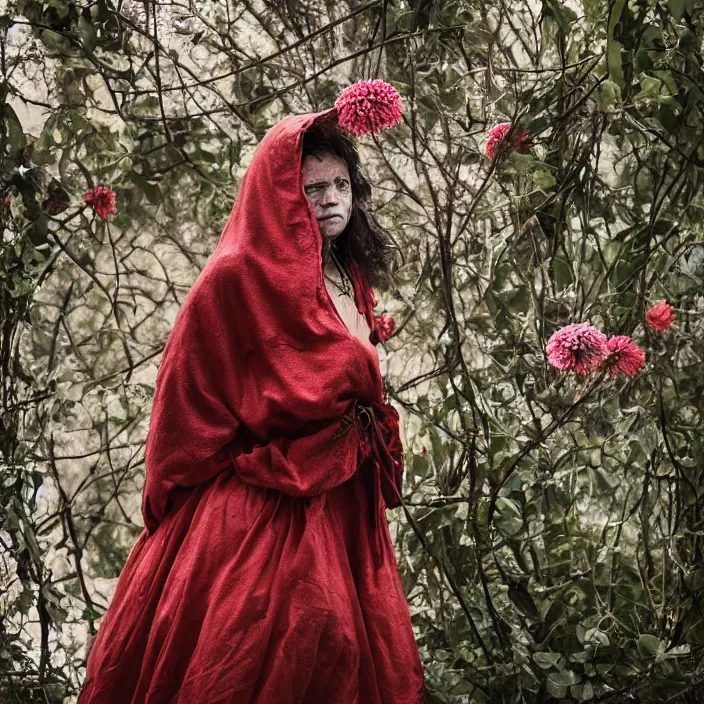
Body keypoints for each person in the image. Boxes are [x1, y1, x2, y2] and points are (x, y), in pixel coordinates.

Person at [77, 80, 426, 704]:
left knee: (344, 661)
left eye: (340, 185)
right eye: (311, 187)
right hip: (260, 513)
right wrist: (184, 520)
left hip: (343, 509)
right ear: (278, 194)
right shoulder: (232, 279)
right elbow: (181, 407)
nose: (329, 200)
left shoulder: (348, 276)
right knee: (274, 654)